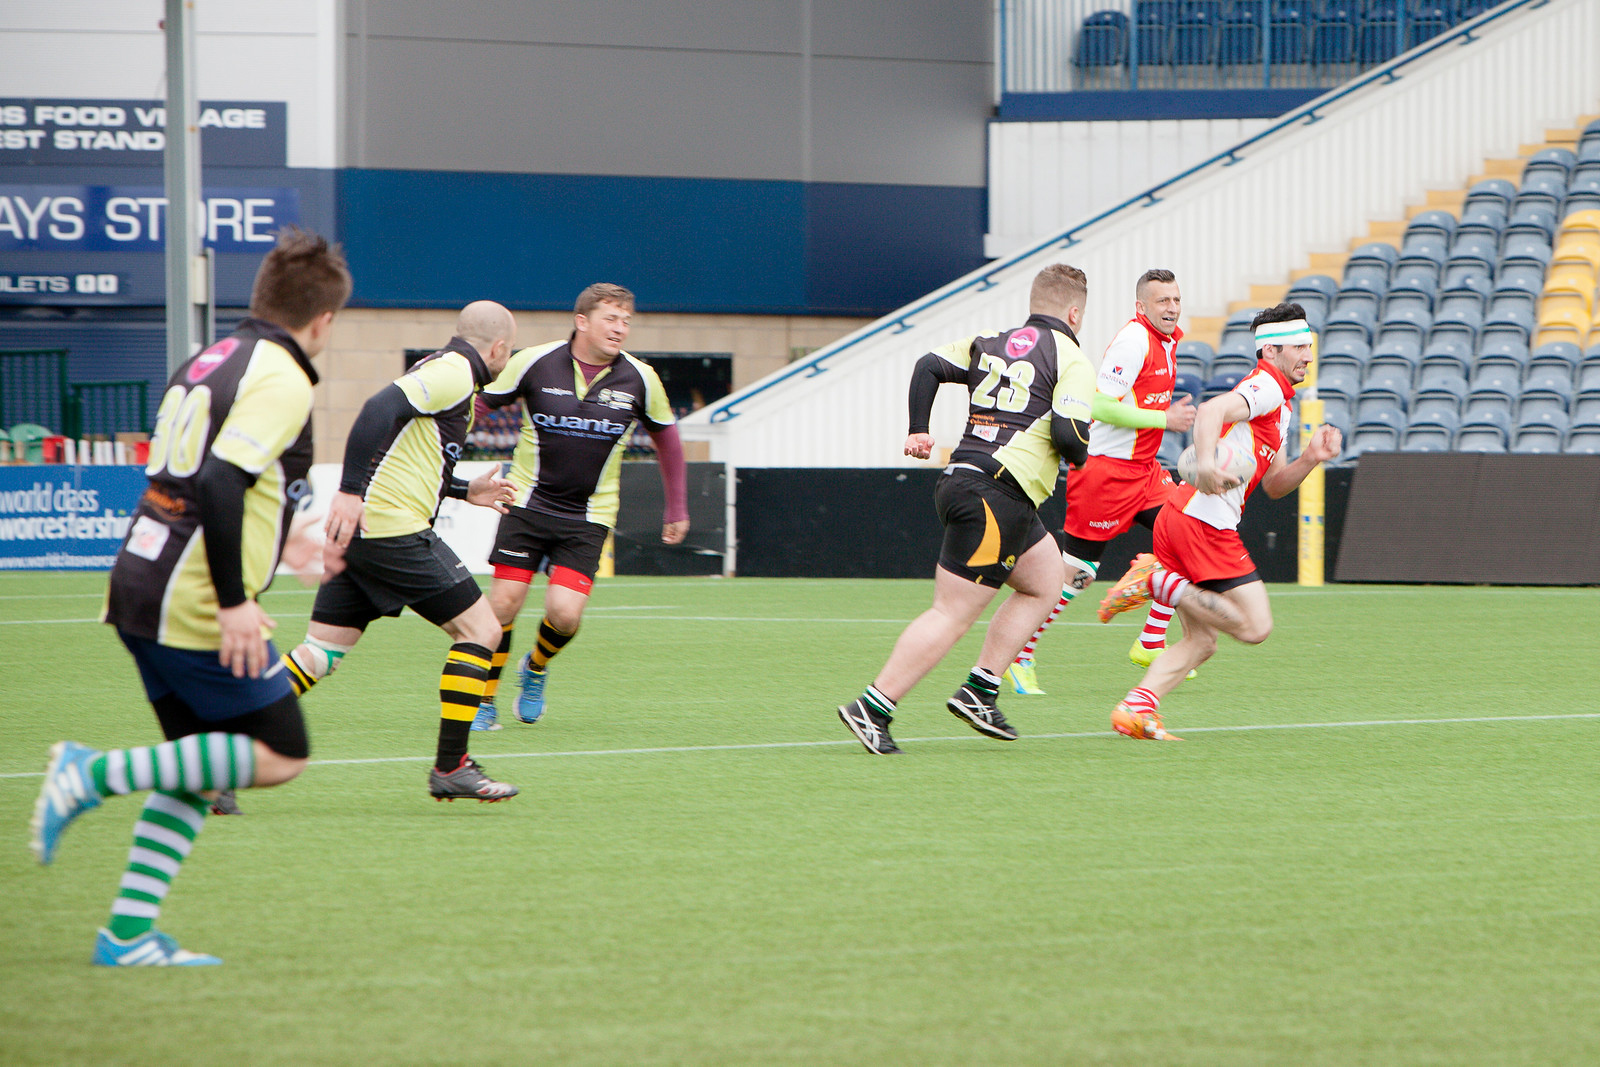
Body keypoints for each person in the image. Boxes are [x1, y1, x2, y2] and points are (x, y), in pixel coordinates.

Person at [29, 228, 351, 966]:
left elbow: (223, 470)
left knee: (199, 767)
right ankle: (91, 772)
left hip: (141, 575)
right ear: (324, 319)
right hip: (193, 593)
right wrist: (237, 600)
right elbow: (217, 481)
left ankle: (128, 936)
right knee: (280, 753)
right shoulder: (283, 374)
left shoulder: (213, 357)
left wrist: (288, 538)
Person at [836, 264, 1096, 755]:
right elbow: (1067, 434)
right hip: (998, 495)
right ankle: (873, 707)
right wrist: (1084, 453)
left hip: (971, 482)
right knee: (951, 614)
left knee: (1045, 582)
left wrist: (919, 427)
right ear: (1075, 312)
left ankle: (981, 690)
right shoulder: (1073, 359)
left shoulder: (990, 342)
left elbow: (928, 366)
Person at [276, 301, 522, 801]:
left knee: (319, 654)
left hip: (367, 533)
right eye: (509, 351)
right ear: (498, 348)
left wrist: (462, 489)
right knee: (483, 630)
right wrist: (348, 490)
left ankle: (216, 754)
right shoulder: (454, 371)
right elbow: (376, 409)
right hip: (391, 531)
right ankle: (451, 766)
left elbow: (407, 455)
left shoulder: (442, 369)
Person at [1096, 302, 1342, 740]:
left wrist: (1310, 458)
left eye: (1309, 345)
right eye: (1299, 347)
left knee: (1202, 641)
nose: (1308, 354)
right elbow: (1209, 412)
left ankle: (1137, 708)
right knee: (1254, 626)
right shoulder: (1265, 386)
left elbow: (1273, 486)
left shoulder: (1279, 401)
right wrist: (1207, 465)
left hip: (1181, 516)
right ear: (1271, 353)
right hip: (1202, 523)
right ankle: (1158, 580)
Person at [468, 283, 687, 731]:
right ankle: (485, 700)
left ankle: (536, 667)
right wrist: (436, 445)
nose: (620, 328)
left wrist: (676, 508)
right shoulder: (532, 360)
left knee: (565, 615)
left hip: (588, 516)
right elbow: (477, 407)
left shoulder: (641, 378)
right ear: (581, 321)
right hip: (526, 503)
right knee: (504, 604)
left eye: (626, 320)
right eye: (611, 318)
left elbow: (668, 439)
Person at [1001, 268, 1198, 697]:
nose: (1172, 308)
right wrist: (1166, 419)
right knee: (1077, 574)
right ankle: (1020, 653)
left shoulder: (1169, 339)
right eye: (1163, 301)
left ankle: (1150, 643)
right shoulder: (1133, 340)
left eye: (1176, 300)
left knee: (1188, 532)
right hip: (1106, 472)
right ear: (1141, 306)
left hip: (1144, 470)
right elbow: (1101, 405)